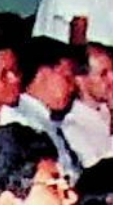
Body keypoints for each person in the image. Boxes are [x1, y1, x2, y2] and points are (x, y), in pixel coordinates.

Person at [12, 36, 82, 177]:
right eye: (67, 78)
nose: (72, 88)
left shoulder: (46, 121)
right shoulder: (24, 123)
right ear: (42, 73)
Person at [61, 42, 113, 167]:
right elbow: (100, 172)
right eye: (103, 74)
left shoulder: (112, 108)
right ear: (80, 81)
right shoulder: (73, 128)